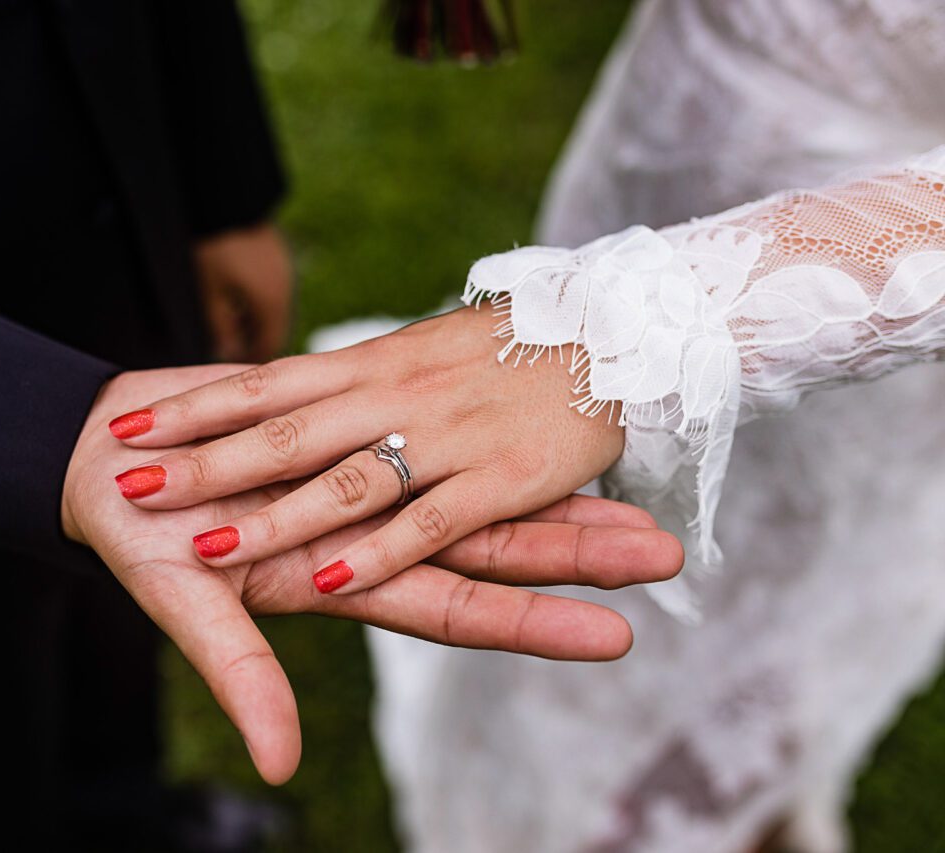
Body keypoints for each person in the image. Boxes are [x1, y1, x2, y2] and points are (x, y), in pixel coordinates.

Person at [0, 1, 682, 848]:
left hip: (108, 204)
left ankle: (129, 816)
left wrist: (217, 185)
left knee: (133, 626)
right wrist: (38, 432)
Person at [111, 1, 945, 850]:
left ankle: (738, 785)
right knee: (579, 570)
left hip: (869, 271)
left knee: (785, 591)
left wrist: (632, 333)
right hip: (689, 122)